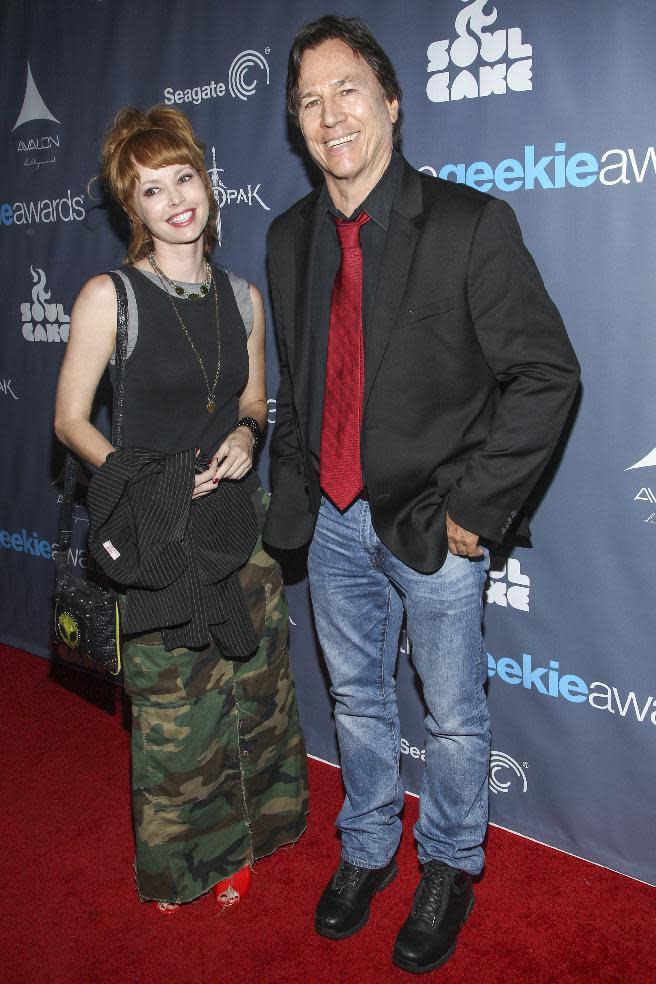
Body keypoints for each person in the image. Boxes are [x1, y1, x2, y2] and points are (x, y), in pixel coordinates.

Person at [263, 15, 580, 974]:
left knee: (451, 714)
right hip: (332, 518)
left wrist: (476, 511)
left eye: (347, 89)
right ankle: (366, 846)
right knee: (356, 702)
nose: (331, 115)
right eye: (310, 102)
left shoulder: (470, 225)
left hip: (432, 527)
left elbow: (546, 375)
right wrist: (297, 497)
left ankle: (447, 859)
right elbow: (303, 379)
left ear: (392, 103)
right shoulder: (288, 239)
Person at [54, 106, 308, 912]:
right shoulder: (110, 296)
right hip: (158, 536)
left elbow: (257, 397)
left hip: (240, 525)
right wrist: (148, 477)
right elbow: (68, 421)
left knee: (258, 692)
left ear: (207, 179)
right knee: (177, 719)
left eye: (183, 178)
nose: (175, 201)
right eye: (151, 190)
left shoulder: (243, 297)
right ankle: (186, 866)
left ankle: (262, 832)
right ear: (133, 209)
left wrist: (244, 431)